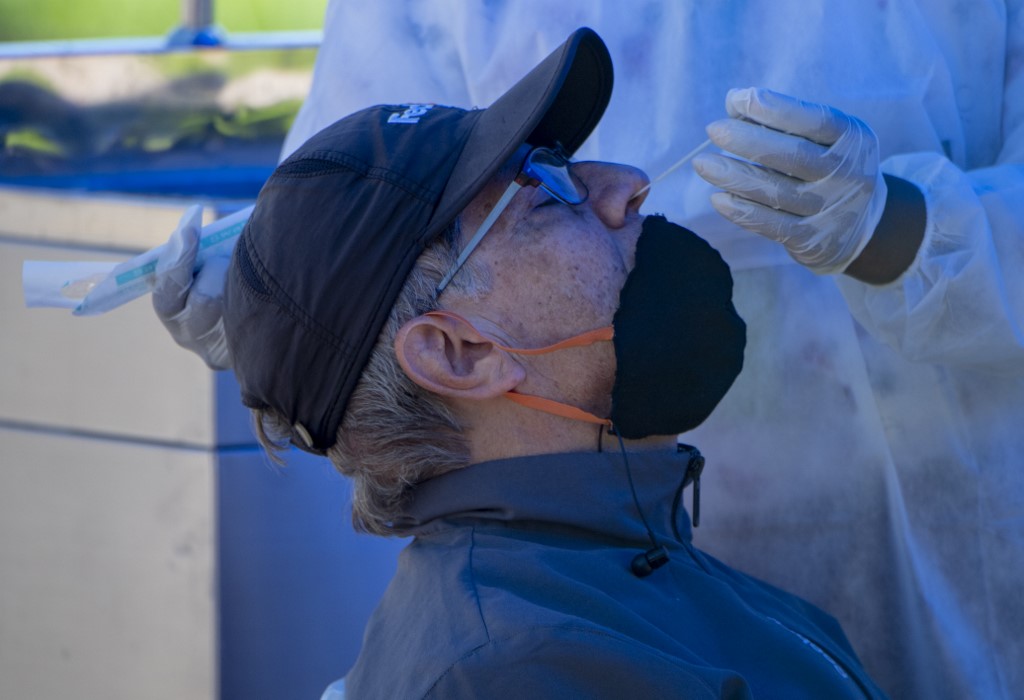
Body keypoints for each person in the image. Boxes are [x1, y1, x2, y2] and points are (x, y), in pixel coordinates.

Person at [154, 3, 1024, 698]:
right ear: (457, 351)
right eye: (545, 190)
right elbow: (363, 194)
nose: (633, 182)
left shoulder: (671, 625)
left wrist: (906, 230)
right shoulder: (517, 666)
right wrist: (286, 299)